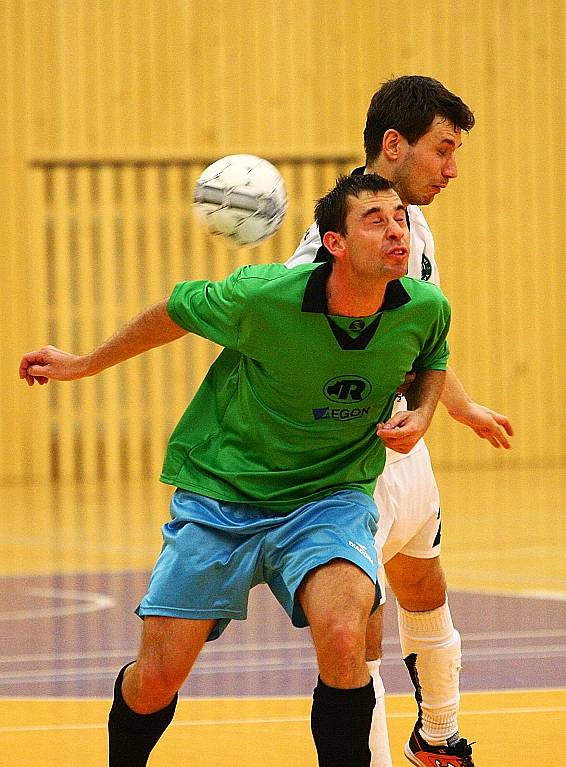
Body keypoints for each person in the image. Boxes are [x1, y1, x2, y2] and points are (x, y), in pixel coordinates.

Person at [20, 173, 450, 767]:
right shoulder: (262, 296)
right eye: (374, 219)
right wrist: (83, 364)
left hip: (329, 496)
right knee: (157, 679)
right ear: (335, 243)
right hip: (222, 494)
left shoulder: (424, 308)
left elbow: (432, 359)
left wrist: (425, 412)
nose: (396, 230)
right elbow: (173, 310)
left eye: (399, 217)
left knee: (346, 632)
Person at [287, 76, 513, 767]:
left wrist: (451, 404)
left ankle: (437, 738)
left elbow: (421, 336)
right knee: (360, 635)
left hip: (405, 447)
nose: (451, 169)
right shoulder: (336, 244)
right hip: (353, 457)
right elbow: (293, 339)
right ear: (394, 144)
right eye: (442, 150)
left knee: (425, 586)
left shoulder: (415, 226)